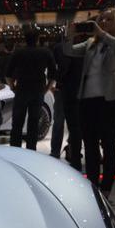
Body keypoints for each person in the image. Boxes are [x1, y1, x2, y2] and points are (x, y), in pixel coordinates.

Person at [64, 8, 115, 195]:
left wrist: (101, 33)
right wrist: (69, 35)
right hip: (87, 99)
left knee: (108, 142)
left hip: (110, 99)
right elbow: (68, 51)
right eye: (102, 19)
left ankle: (107, 185)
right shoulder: (91, 43)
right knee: (90, 143)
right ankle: (93, 184)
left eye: (109, 19)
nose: (104, 22)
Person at [5, 27, 56, 150]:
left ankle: (15, 151)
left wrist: (12, 87)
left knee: (17, 124)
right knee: (33, 124)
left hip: (21, 90)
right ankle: (31, 151)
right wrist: (46, 89)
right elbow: (53, 75)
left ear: (25, 39)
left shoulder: (18, 52)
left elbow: (7, 74)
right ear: (38, 39)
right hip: (38, 91)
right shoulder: (46, 52)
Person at [50, 32, 85, 169]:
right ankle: (72, 153)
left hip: (64, 89)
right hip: (78, 90)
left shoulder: (61, 47)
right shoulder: (82, 47)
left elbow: (57, 67)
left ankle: (56, 152)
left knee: (60, 122)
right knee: (76, 125)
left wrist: (54, 82)